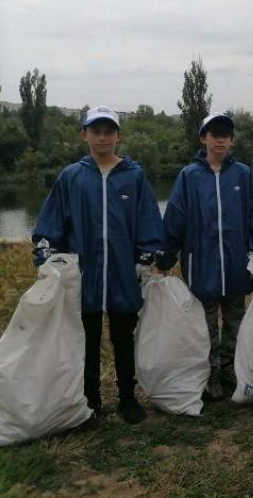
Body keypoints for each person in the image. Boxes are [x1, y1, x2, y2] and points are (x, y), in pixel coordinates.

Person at [32, 105, 163, 423]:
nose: (102, 137)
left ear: (118, 135)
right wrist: (46, 257)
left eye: (109, 131)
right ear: (84, 134)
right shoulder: (72, 177)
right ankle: (90, 401)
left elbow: (148, 221)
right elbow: (51, 224)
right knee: (86, 340)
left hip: (122, 273)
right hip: (83, 275)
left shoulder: (134, 176)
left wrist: (146, 259)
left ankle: (128, 398)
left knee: (123, 337)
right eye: (96, 131)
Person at [155, 113, 253, 400]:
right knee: (205, 327)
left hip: (237, 266)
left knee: (236, 323)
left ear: (232, 140)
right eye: (214, 134)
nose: (220, 140)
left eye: (225, 135)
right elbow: (175, 218)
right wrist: (166, 259)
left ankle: (232, 370)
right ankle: (210, 374)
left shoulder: (241, 174)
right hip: (202, 267)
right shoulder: (189, 176)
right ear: (203, 138)